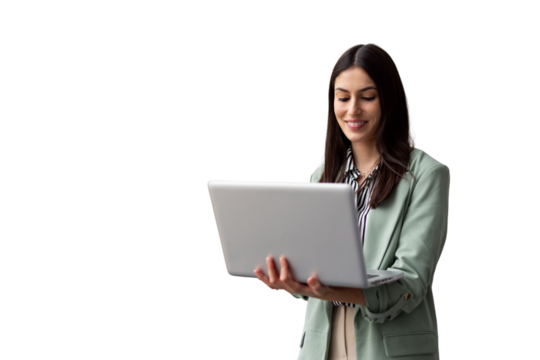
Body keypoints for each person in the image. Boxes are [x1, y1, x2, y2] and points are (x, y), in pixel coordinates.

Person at [253, 42, 448, 360]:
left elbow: (411, 281)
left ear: (389, 100)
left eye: (367, 97)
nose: (352, 109)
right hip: (321, 346)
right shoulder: (323, 175)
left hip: (389, 347)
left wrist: (328, 290)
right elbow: (312, 275)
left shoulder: (427, 174)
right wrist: (290, 282)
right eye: (343, 98)